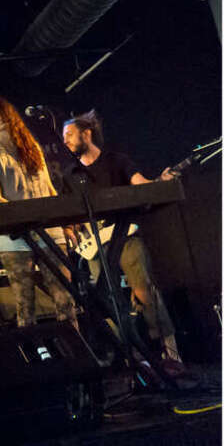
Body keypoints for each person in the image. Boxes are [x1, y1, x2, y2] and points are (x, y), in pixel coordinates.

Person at [62, 110, 182, 365]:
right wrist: (72, 232)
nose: (66, 141)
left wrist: (160, 182)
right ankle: (131, 358)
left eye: (70, 135)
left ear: (87, 134)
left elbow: (141, 184)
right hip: (94, 247)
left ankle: (171, 353)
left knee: (144, 289)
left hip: (125, 236)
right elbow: (67, 213)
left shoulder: (116, 160)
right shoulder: (70, 173)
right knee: (107, 301)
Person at [0, 95, 78, 330]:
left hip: (50, 233)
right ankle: (40, 359)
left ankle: (82, 354)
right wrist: (24, 220)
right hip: (17, 239)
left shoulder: (31, 145)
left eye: (0, 111)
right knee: (25, 306)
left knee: (65, 300)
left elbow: (50, 189)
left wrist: (66, 224)